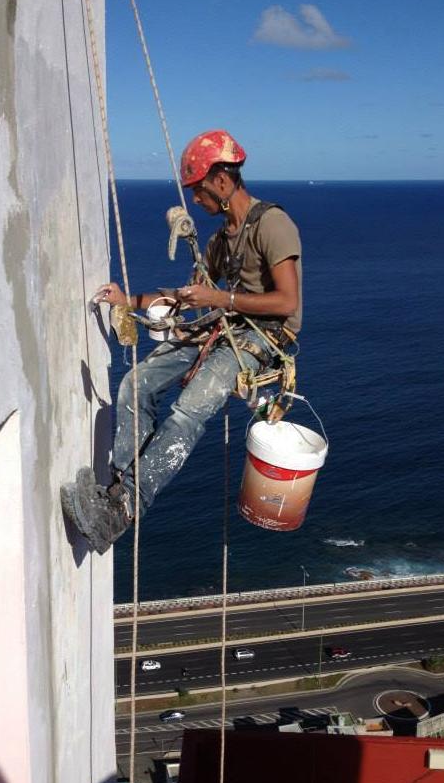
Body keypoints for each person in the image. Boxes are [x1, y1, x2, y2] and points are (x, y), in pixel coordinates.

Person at [61, 129, 303, 553]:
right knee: (134, 384)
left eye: (199, 190)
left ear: (223, 182)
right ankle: (118, 490)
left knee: (188, 410)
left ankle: (124, 509)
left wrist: (220, 298)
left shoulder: (272, 224)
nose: (196, 200)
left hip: (263, 337)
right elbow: (187, 295)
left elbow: (287, 301)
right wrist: (130, 299)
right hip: (222, 324)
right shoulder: (219, 241)